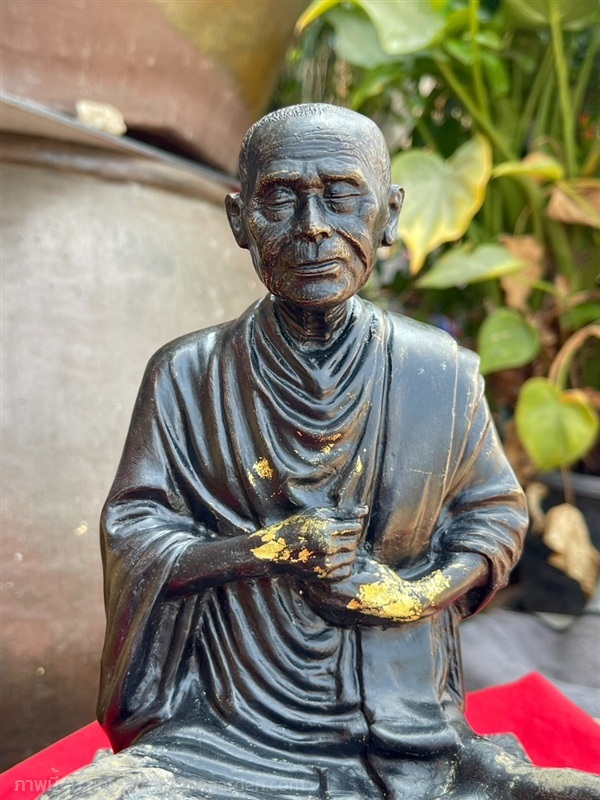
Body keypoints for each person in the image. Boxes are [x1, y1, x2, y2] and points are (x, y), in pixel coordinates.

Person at [43, 104, 600, 799]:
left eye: (342, 196)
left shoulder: (439, 372)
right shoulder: (188, 374)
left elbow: (494, 518)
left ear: (389, 214)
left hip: (403, 728)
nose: (312, 227)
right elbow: (136, 534)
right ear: (239, 220)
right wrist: (265, 550)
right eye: (281, 198)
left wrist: (414, 596)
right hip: (228, 724)